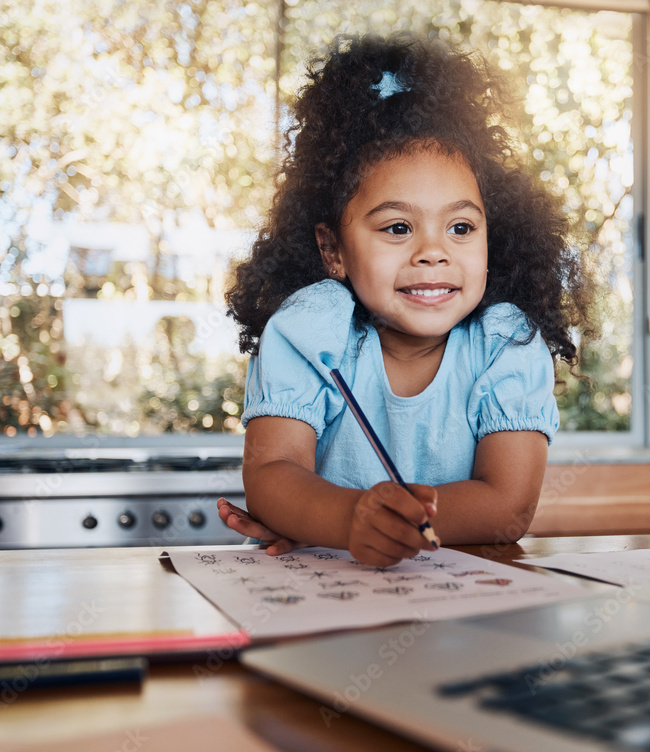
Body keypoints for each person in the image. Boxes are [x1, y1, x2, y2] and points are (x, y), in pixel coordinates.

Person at [218, 34, 593, 566]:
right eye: (398, 227)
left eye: (460, 227)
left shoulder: (505, 341)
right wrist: (349, 522)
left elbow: (508, 507)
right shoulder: (308, 330)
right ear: (333, 251)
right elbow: (273, 476)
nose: (433, 252)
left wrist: (361, 524)